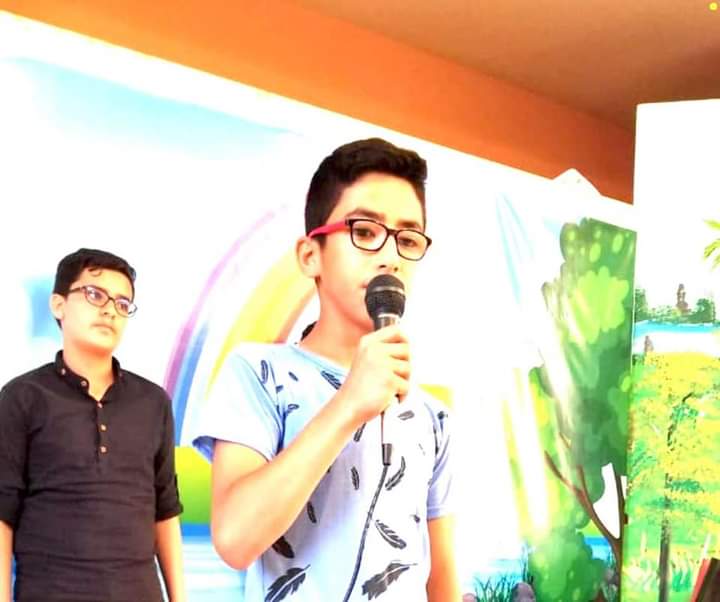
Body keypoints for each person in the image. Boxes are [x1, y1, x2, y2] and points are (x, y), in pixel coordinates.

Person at [193, 138, 459, 601]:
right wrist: (349, 403)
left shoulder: (432, 417)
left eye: (408, 239)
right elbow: (234, 538)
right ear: (310, 255)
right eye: (365, 231)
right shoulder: (257, 373)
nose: (390, 257)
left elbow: (442, 576)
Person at [0, 248, 185, 602]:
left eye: (122, 303)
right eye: (95, 295)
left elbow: (165, 511)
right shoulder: (22, 397)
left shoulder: (153, 402)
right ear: (58, 305)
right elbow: (2, 513)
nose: (109, 310)